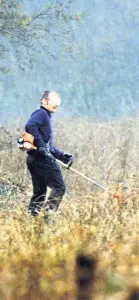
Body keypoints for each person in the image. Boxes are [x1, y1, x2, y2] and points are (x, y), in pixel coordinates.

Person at [24, 91, 73, 223]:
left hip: (33, 159)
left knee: (39, 192)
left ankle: (32, 220)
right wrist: (40, 145)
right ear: (45, 101)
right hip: (43, 160)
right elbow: (29, 126)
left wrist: (62, 156)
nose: (57, 104)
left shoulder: (42, 115)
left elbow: (48, 146)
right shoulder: (42, 114)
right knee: (59, 187)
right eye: (54, 101)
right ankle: (48, 217)